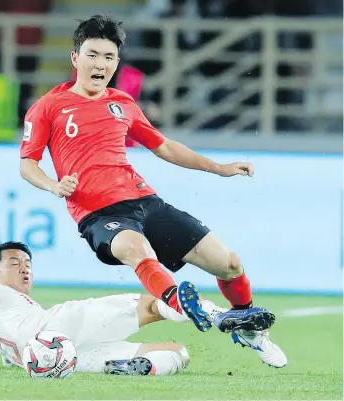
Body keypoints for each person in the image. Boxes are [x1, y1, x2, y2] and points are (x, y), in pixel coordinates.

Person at [18, 14, 284, 365]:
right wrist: (53, 185)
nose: (100, 64)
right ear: (75, 58)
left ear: (116, 62)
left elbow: (164, 146)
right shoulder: (48, 107)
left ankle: (249, 328)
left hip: (146, 202)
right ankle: (177, 301)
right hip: (99, 214)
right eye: (93, 55)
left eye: (109, 57)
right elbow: (27, 164)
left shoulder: (123, 104)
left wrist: (218, 168)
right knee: (136, 248)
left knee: (230, 265)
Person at [0, 241, 235, 375]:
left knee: (178, 353)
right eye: (14, 262)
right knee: (152, 304)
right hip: (61, 326)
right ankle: (224, 316)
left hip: (61, 359)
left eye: (28, 262)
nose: (25, 266)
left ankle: (127, 369)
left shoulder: (14, 309)